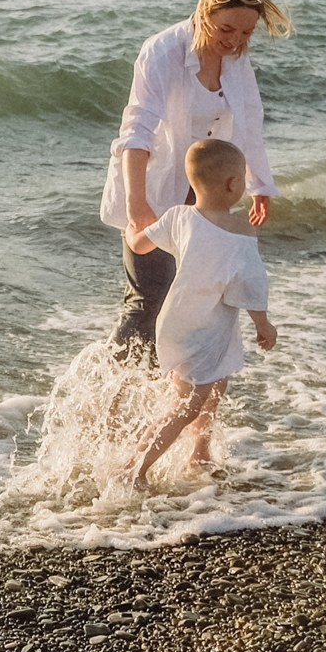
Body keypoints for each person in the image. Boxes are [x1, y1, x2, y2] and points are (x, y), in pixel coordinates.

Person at [99, 0, 288, 359]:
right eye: (227, 29)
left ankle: (164, 399)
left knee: (190, 303)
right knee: (147, 301)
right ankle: (104, 398)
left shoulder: (236, 60)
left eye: (246, 34)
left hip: (206, 198)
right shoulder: (162, 52)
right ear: (205, 12)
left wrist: (260, 186)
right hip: (152, 188)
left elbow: (250, 121)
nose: (235, 42)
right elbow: (136, 131)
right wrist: (137, 204)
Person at [125, 138, 275, 486]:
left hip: (180, 320)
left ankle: (199, 452)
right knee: (187, 404)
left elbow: (140, 244)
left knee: (215, 382)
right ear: (233, 185)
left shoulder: (179, 216)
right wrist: (263, 323)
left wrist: (132, 227)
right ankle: (134, 467)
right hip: (206, 326)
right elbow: (251, 283)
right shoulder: (240, 231)